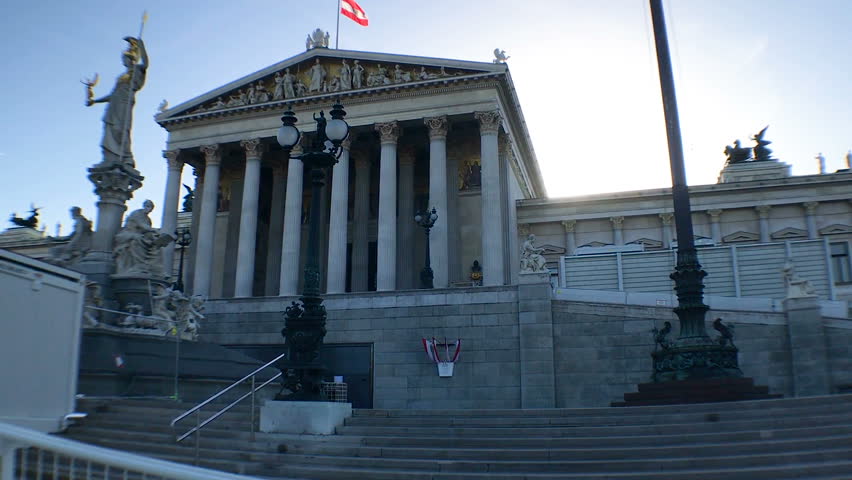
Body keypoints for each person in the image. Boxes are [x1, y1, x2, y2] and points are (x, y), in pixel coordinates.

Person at [87, 37, 148, 169]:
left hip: (125, 103)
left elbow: (146, 64)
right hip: (114, 104)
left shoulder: (137, 70)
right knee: (109, 130)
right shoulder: (121, 77)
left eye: (124, 59)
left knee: (121, 129)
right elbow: (112, 94)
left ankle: (126, 157)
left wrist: (141, 46)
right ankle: (109, 157)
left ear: (130, 59)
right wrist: (94, 101)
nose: (123, 61)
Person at [113, 200, 172, 277]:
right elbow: (142, 226)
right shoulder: (137, 213)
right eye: (148, 206)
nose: (149, 209)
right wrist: (154, 230)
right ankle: (139, 266)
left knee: (156, 247)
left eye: (151, 208)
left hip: (141, 236)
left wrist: (157, 238)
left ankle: (156, 270)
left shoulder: (148, 219)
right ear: (144, 206)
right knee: (137, 240)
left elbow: (147, 232)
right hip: (128, 234)